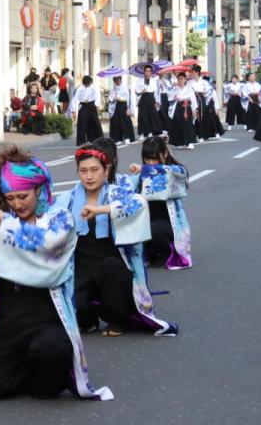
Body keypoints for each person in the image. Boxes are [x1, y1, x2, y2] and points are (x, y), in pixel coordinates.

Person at [0, 146, 113, 402]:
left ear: (38, 189)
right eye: (10, 198)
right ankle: (26, 368)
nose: (17, 204)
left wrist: (6, 223)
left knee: (46, 384)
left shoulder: (60, 218)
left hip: (47, 319)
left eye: (22, 196)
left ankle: (43, 370)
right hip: (8, 322)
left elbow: (47, 245)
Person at [64, 139, 177, 336]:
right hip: (81, 266)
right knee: (77, 310)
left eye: (94, 170)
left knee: (113, 270)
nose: (89, 176)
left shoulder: (117, 191)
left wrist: (101, 209)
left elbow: (139, 203)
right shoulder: (69, 198)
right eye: (83, 171)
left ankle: (118, 319)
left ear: (105, 170)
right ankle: (88, 319)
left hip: (112, 263)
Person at [125, 137, 191, 270]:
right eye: (147, 159)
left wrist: (145, 169)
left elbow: (181, 172)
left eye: (154, 159)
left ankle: (169, 250)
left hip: (169, 224)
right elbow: (127, 187)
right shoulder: (142, 174)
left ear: (165, 153)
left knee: (155, 230)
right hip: (148, 220)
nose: (150, 163)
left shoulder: (175, 171)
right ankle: (153, 253)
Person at [166, 71, 198, 150]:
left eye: (182, 79)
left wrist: (194, 110)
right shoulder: (175, 89)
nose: (180, 80)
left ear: (185, 79)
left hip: (187, 107)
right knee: (179, 124)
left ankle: (190, 142)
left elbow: (193, 100)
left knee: (188, 125)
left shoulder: (189, 88)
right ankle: (181, 142)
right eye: (179, 79)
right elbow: (169, 98)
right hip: (178, 108)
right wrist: (174, 97)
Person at [71, 75, 102, 145]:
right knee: (82, 122)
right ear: (85, 83)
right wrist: (73, 110)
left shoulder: (93, 87)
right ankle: (81, 141)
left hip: (91, 105)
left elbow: (97, 96)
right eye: (89, 83)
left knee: (95, 121)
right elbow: (75, 99)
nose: (90, 84)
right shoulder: (79, 88)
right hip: (83, 105)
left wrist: (97, 105)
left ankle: (98, 139)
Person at [136, 64, 163, 137]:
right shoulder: (140, 81)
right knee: (143, 116)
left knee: (152, 116)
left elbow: (157, 92)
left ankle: (151, 131)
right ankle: (142, 133)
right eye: (146, 71)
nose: (147, 73)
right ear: (144, 72)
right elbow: (136, 91)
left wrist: (157, 101)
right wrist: (141, 91)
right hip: (143, 98)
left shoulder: (154, 81)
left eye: (149, 71)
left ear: (151, 72)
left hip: (151, 98)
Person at [107, 74, 135, 144]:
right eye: (115, 79)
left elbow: (128, 99)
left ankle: (127, 137)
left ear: (120, 79)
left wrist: (128, 108)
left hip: (123, 106)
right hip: (115, 107)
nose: (116, 81)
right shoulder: (113, 89)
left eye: (118, 79)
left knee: (125, 122)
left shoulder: (125, 88)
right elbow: (110, 100)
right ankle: (118, 139)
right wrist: (113, 97)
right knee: (116, 123)